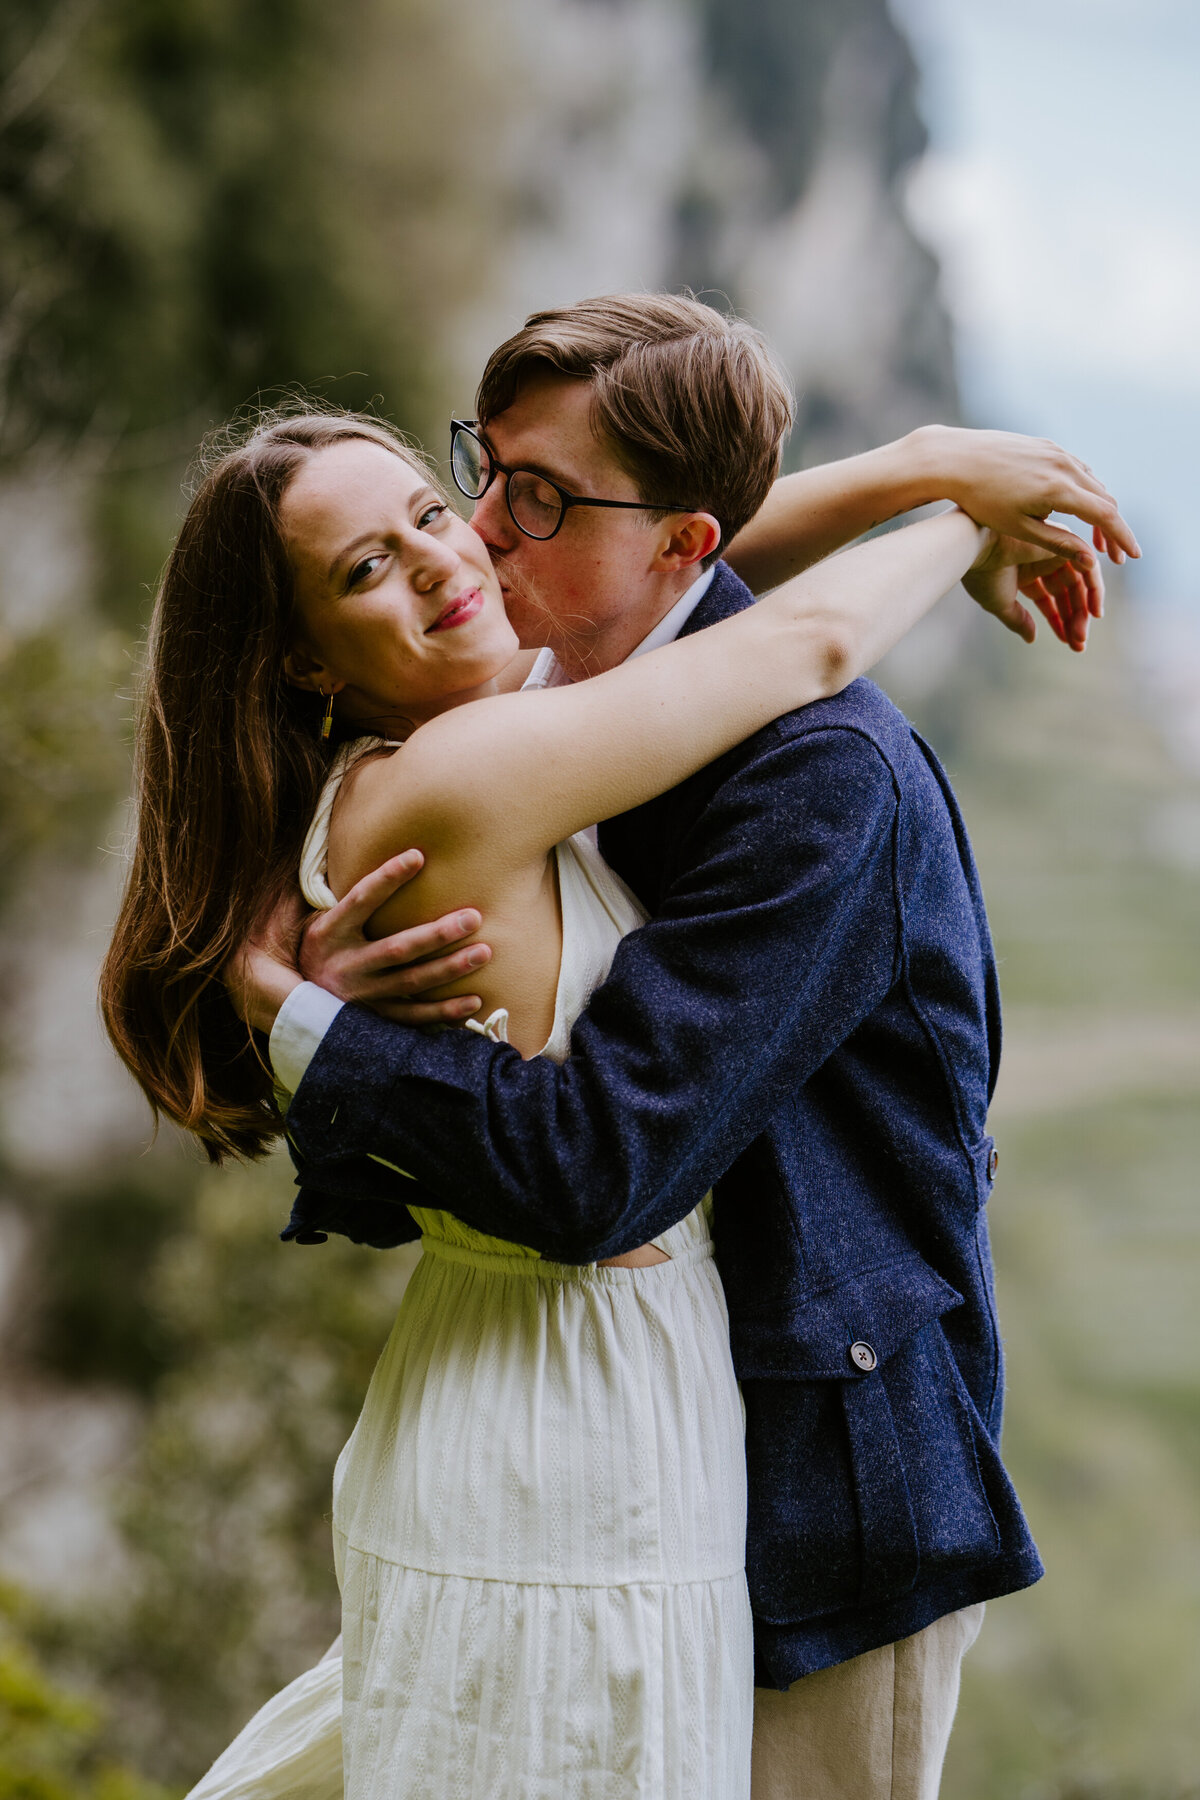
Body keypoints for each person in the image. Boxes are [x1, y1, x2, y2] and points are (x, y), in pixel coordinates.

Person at [225, 295, 1138, 1800]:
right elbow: (405, 1185)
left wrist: (312, 1026)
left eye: (536, 500)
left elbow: (600, 1167)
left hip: (824, 1506)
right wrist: (932, 476)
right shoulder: (571, 701)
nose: (480, 539)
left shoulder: (817, 779)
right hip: (623, 1459)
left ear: (678, 544)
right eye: (484, 472)